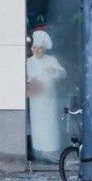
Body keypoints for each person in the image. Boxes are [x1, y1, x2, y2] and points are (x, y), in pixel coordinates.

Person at [26, 29, 67, 161]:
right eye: (36, 48)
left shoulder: (51, 60)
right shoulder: (28, 62)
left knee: (50, 127)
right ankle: (38, 153)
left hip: (49, 100)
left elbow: (63, 73)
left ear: (44, 49)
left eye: (41, 48)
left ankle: (51, 153)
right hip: (36, 100)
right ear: (32, 48)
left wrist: (54, 70)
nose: (38, 50)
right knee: (38, 127)